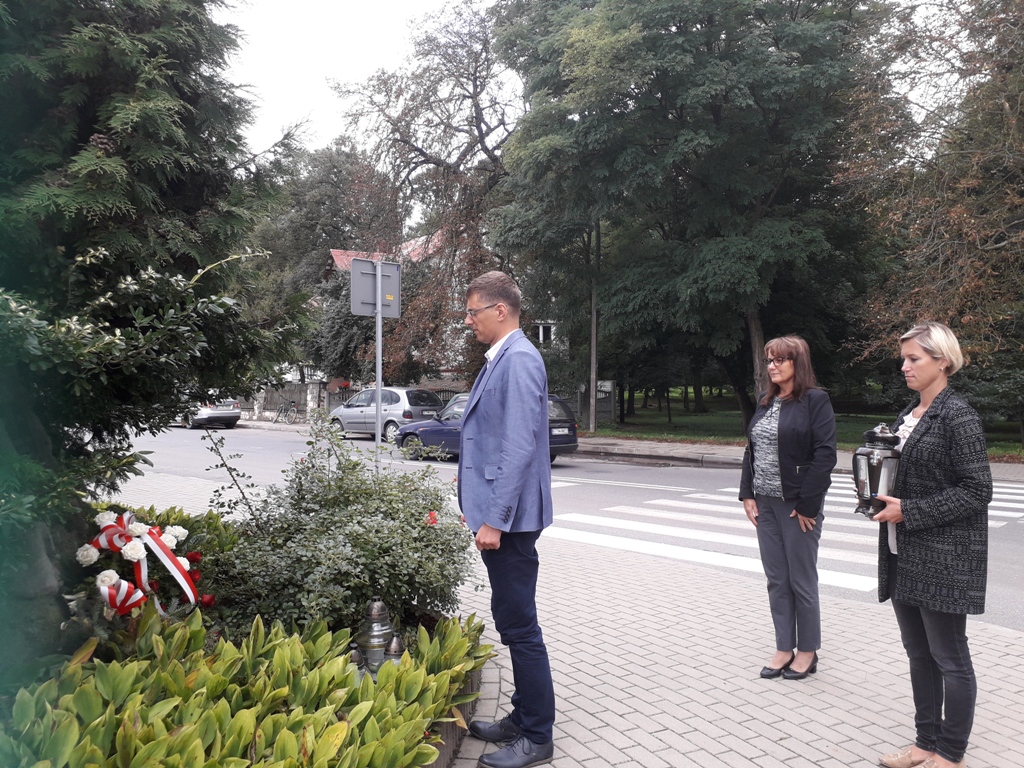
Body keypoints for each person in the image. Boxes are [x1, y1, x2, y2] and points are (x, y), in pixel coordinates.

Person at [873, 322, 991, 768]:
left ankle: (951, 753)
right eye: (903, 359)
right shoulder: (909, 414)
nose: (904, 367)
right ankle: (925, 743)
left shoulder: (958, 416)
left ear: (942, 361)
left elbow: (977, 490)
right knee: (919, 655)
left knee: (949, 658)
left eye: (914, 358)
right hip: (902, 552)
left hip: (944, 558)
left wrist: (910, 511)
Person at [458, 271, 556, 768]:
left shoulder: (518, 359)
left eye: (473, 311)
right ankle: (522, 716)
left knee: (519, 626)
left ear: (500, 310)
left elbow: (518, 448)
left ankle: (537, 737)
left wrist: (493, 520)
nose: (468, 320)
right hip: (503, 516)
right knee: (512, 619)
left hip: (511, 521)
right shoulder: (504, 357)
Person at [739, 335, 837, 681]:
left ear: (798, 362)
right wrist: (747, 493)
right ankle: (784, 647)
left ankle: (807, 651)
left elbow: (825, 454)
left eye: (780, 359)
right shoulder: (765, 400)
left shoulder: (815, 400)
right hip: (765, 504)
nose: (772, 366)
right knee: (777, 579)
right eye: (769, 360)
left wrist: (809, 504)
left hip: (798, 506)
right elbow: (752, 449)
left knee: (801, 580)